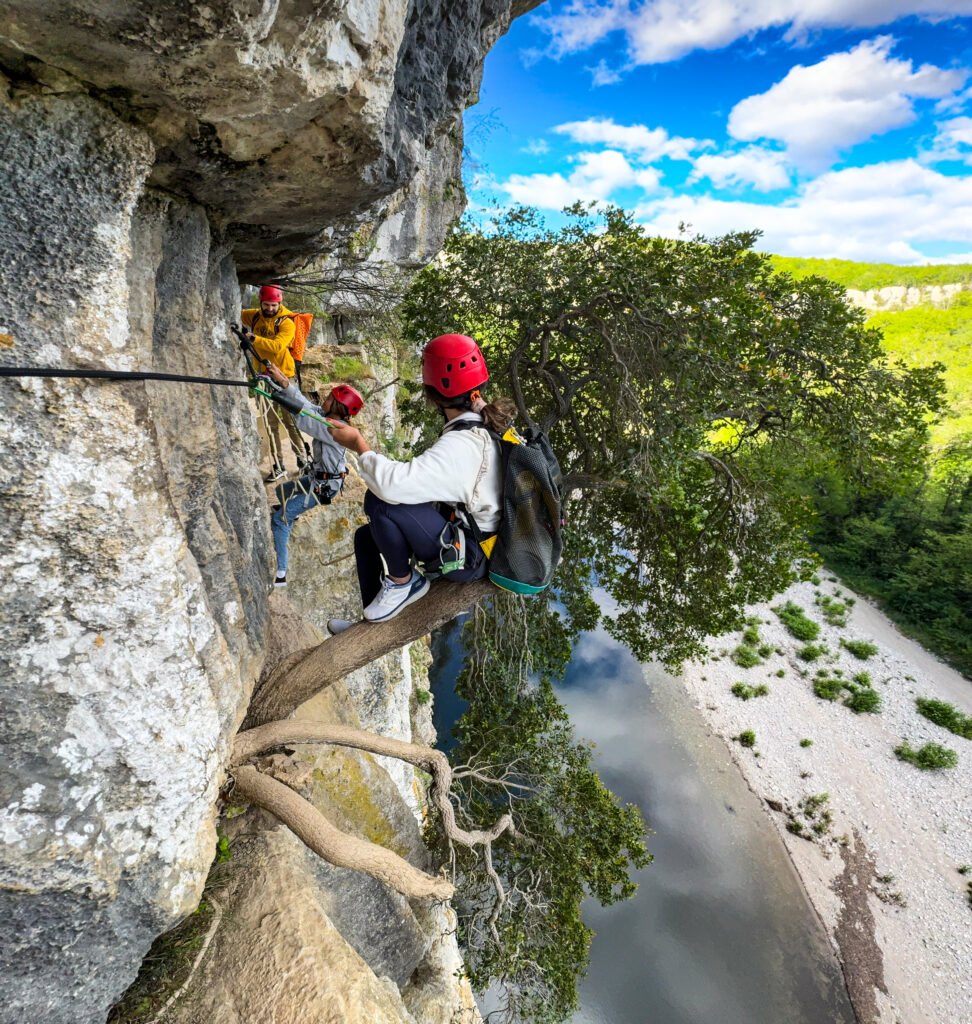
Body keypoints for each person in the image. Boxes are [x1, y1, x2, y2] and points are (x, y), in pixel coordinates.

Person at [324, 334, 514, 630]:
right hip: (480, 537)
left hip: (471, 557)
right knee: (366, 537)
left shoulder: (462, 445)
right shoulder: (486, 425)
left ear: (433, 394)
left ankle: (404, 581)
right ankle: (373, 622)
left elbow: (391, 486)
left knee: (381, 502)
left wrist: (359, 444)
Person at [262, 362, 364, 589]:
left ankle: (281, 573)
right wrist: (284, 383)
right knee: (281, 492)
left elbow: (306, 420)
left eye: (328, 398)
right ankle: (293, 513)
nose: (323, 400)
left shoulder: (333, 428)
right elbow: (306, 406)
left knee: (280, 519)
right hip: (318, 478)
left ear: (337, 406)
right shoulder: (325, 416)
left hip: (324, 487)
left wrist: (281, 397)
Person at [241, 285, 308, 481]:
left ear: (279, 303)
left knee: (290, 421)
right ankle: (278, 464)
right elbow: (236, 313)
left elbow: (278, 346)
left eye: (273, 305)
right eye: (266, 305)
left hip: (284, 377)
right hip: (264, 376)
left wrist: (253, 338)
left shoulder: (287, 323)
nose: (270, 309)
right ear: (261, 303)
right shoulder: (254, 316)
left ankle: (302, 460)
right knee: (269, 423)